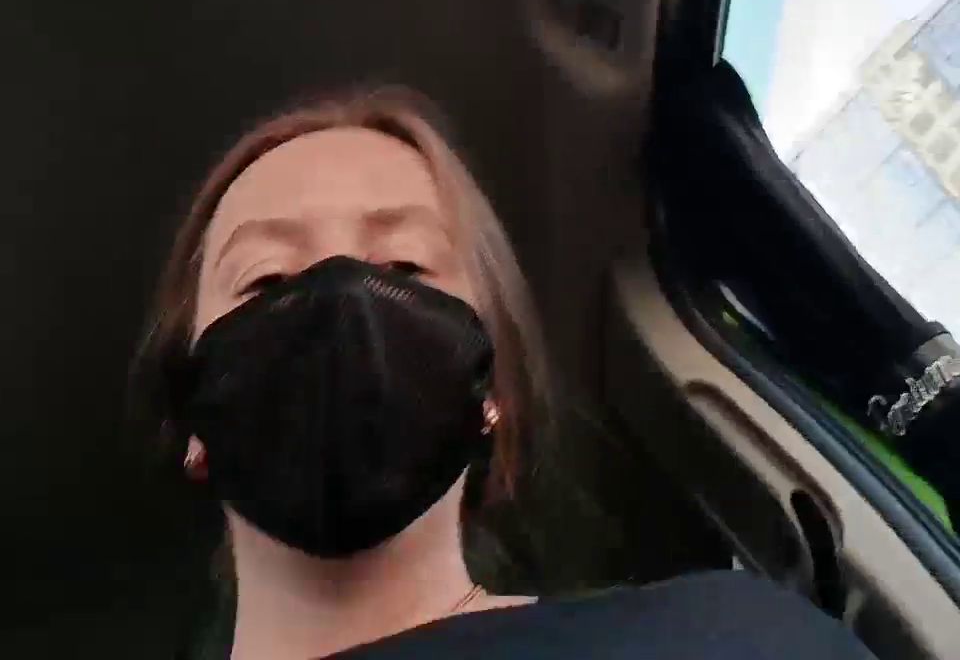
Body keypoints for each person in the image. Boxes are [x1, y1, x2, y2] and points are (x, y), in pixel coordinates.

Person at [136, 86, 874, 660]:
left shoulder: (726, 643)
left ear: (490, 393)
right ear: (194, 416)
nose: (341, 298)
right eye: (265, 279)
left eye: (405, 266)